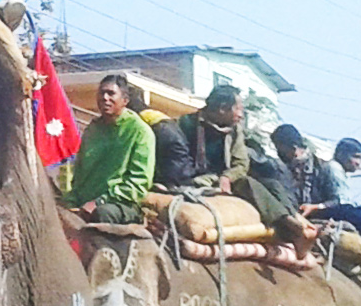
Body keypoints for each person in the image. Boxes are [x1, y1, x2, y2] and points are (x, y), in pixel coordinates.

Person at [161, 84, 314, 244]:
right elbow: (179, 165)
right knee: (248, 184)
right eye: (238, 109)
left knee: (273, 185)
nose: (241, 115)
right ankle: (289, 225)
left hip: (225, 181)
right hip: (197, 180)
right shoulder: (186, 125)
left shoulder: (234, 130)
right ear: (222, 109)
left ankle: (295, 219)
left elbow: (241, 163)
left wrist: (227, 177)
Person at [70, 74, 156, 223]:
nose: (105, 98)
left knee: (103, 214)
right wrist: (69, 202)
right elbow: (79, 175)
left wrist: (99, 202)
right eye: (101, 93)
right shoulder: (92, 130)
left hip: (120, 205)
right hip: (84, 204)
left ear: (125, 101)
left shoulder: (140, 131)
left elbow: (138, 183)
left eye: (111, 93)